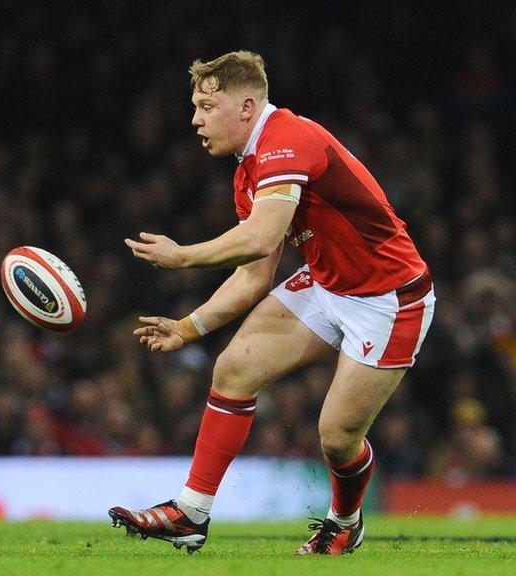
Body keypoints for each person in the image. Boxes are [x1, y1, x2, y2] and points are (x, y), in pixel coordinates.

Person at [109, 51, 434, 555]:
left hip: (389, 298)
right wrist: (189, 328)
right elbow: (254, 275)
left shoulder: (287, 138)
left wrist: (183, 257)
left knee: (337, 437)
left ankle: (345, 521)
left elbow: (261, 238)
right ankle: (190, 513)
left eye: (205, 105)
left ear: (245, 106)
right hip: (329, 284)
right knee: (234, 369)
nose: (195, 118)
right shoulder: (248, 170)